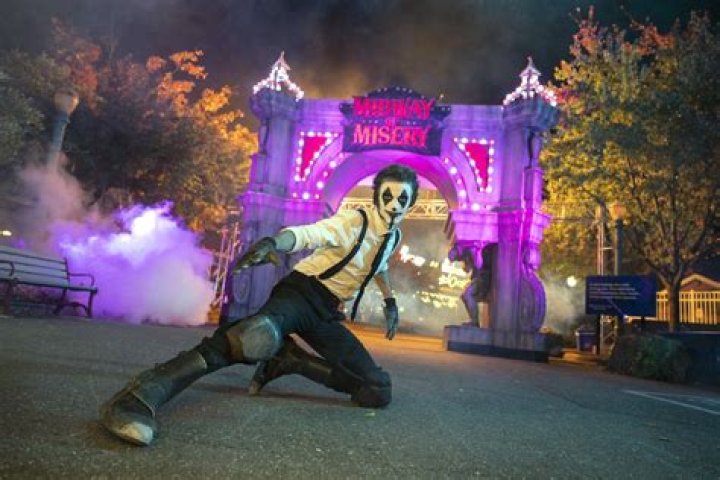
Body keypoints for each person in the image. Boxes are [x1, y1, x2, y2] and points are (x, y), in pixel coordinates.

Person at [100, 164, 419, 446]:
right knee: (252, 337)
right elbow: (310, 234)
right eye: (387, 196)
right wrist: (273, 243)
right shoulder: (354, 221)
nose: (394, 204)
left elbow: (379, 266)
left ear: (411, 203)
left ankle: (291, 361)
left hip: (326, 313)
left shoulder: (392, 237)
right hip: (301, 294)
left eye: (402, 199)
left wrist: (390, 300)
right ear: (376, 197)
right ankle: (139, 395)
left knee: (377, 390)